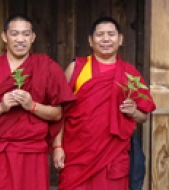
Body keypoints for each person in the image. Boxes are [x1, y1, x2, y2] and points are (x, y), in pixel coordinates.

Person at [0, 15, 75, 190]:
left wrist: (31, 106)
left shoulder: (47, 68)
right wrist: (1, 107)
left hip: (33, 153)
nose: (20, 39)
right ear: (4, 36)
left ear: (33, 37)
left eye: (26, 34)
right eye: (14, 33)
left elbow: (57, 113)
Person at [53, 17, 156, 190]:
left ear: (120, 39)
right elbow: (59, 110)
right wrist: (57, 146)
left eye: (111, 34)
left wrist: (133, 111)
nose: (106, 39)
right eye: (100, 35)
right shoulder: (77, 68)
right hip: (77, 154)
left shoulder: (129, 74)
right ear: (90, 41)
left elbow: (143, 117)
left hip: (113, 157)